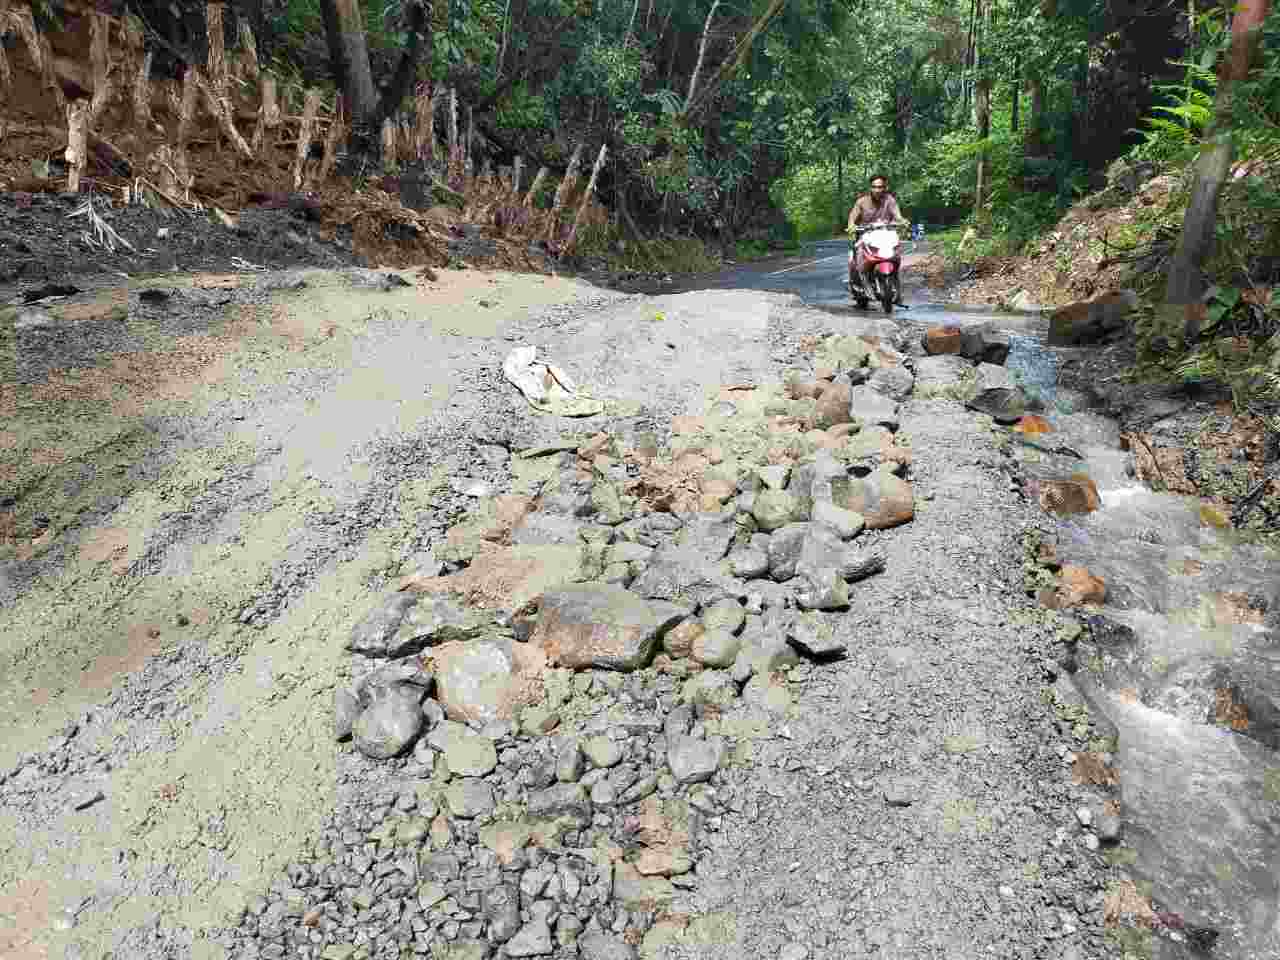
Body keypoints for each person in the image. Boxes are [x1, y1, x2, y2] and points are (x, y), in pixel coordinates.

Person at [847, 174, 909, 303]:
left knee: (895, 255)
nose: (877, 190)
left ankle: (897, 289)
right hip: (866, 236)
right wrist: (852, 225)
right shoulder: (862, 201)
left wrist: (902, 221)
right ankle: (857, 285)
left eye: (880, 187)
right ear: (870, 187)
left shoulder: (889, 200)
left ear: (885, 187)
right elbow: (852, 216)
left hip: (886, 235)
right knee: (855, 257)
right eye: (874, 187)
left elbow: (897, 215)